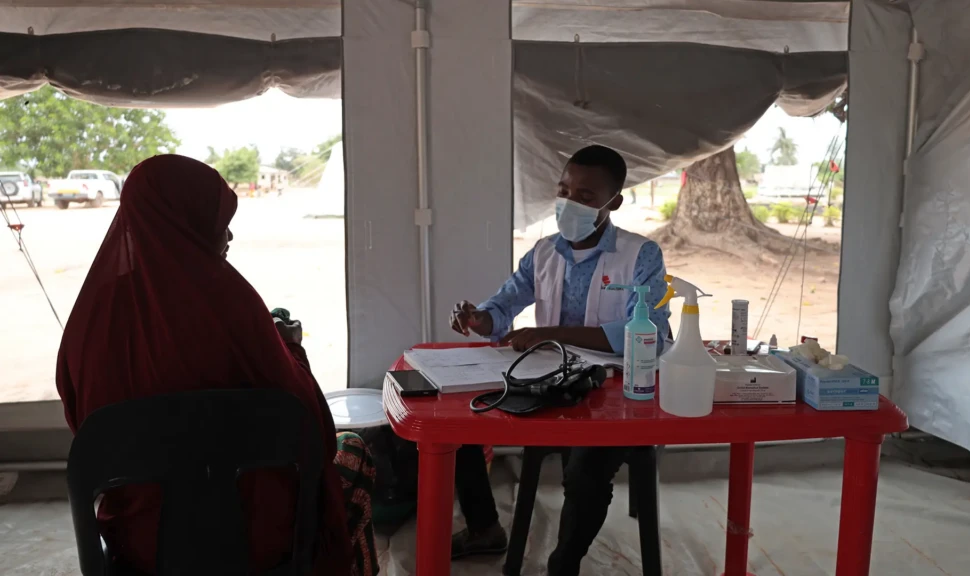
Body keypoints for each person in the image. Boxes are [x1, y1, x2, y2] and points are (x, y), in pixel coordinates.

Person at [55, 155, 377, 576]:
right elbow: (314, 433)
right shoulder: (235, 305)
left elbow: (88, 432)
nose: (228, 234)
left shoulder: (90, 320)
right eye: (215, 218)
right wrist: (291, 351)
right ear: (185, 219)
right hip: (257, 540)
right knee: (354, 451)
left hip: (144, 548)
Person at [448, 145, 671, 575]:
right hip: (550, 382)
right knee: (461, 421)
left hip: (613, 392)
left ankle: (562, 565)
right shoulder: (544, 252)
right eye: (564, 189)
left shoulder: (640, 255)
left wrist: (550, 333)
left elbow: (650, 334)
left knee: (587, 466)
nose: (569, 203)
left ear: (614, 203)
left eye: (586, 197)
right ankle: (483, 527)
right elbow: (504, 304)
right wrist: (480, 318)